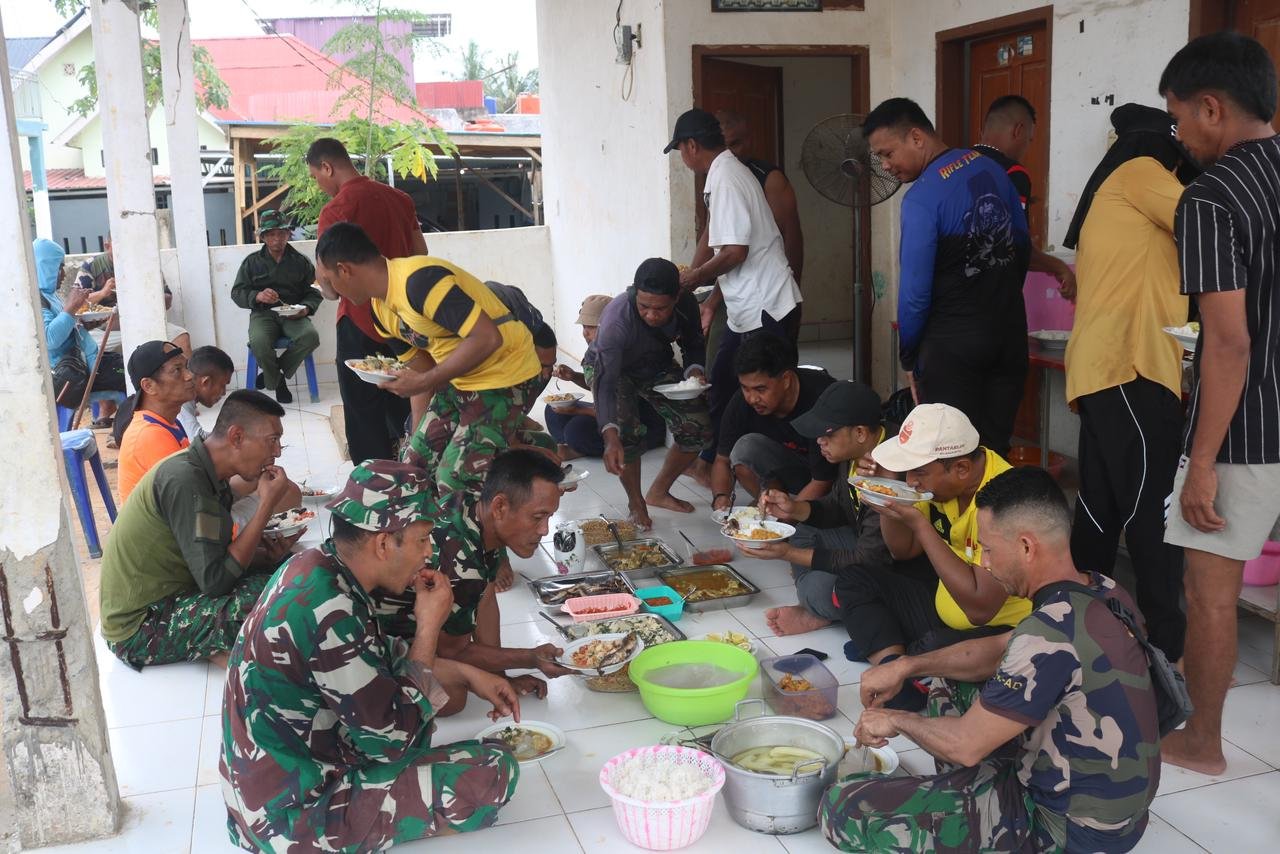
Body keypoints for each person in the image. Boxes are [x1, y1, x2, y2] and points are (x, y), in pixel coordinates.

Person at [821, 467, 1159, 853]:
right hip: (1120, 814)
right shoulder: (1102, 591)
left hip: (1067, 830)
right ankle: (970, 800)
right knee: (949, 683)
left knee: (841, 809)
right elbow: (997, 649)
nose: (983, 562)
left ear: (1026, 547)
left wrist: (894, 719)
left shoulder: (1048, 634)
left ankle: (980, 816)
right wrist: (906, 666)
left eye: (989, 549)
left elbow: (965, 745)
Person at [221, 460, 521, 852]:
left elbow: (379, 659)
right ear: (383, 544)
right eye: (422, 540)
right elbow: (395, 741)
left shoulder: (314, 566)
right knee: (494, 768)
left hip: (264, 789)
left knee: (424, 711)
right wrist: (429, 627)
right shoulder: (331, 609)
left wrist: (468, 674)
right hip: (293, 818)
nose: (429, 554)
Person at [1158, 32, 1280, 776]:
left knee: (1209, 595)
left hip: (1247, 428)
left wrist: (1202, 461)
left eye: (1178, 118)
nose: (1178, 134)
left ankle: (1201, 742)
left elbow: (1228, 345)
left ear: (1211, 107)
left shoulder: (1211, 196)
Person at [1061, 102, 1194, 664]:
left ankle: (1077, 628)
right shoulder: (1143, 171)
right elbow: (1208, 217)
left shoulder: (1113, 188)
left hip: (1100, 369)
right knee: (1152, 507)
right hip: (1131, 364)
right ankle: (1165, 648)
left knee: (1099, 507)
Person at [314, 222, 543, 501]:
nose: (334, 292)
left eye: (329, 280)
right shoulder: (379, 310)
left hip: (507, 376)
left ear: (344, 270)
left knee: (454, 480)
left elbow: (487, 338)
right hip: (460, 382)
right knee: (413, 468)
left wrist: (423, 381)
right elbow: (421, 370)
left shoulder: (419, 282)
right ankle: (507, 450)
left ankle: (525, 454)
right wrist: (417, 435)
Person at [864, 97, 1031, 455]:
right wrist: (999, 300)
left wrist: (909, 357)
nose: (886, 166)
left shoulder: (922, 198)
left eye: (887, 154)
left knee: (948, 457)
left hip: (953, 350)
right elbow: (1022, 246)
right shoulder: (994, 171)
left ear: (916, 137)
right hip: (1009, 336)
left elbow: (915, 294)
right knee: (994, 451)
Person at [98, 391, 301, 669]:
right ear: (237, 437)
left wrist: (266, 557)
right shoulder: (184, 479)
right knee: (270, 596)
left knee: (290, 568)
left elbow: (214, 556)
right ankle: (227, 655)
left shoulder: (204, 469)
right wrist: (266, 504)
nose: (276, 452)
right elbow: (216, 581)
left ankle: (214, 646)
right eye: (272, 440)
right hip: (139, 626)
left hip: (176, 591)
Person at [372, 450, 576, 711]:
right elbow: (453, 651)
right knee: (453, 697)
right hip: (379, 638)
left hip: (412, 622)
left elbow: (486, 600)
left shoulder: (472, 507)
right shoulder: (461, 563)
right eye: (537, 517)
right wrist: (531, 658)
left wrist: (501, 676)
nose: (544, 530)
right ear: (500, 507)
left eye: (549, 517)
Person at [666, 108, 803, 483]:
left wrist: (693, 279)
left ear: (691, 146)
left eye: (680, 150)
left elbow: (735, 253)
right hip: (747, 308)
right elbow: (721, 244)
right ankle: (710, 462)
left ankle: (783, 475)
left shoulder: (726, 178)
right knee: (724, 384)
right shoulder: (723, 174)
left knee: (768, 394)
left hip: (766, 306)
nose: (683, 158)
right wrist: (708, 297)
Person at [865, 403, 1031, 709]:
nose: (911, 481)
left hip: (997, 632)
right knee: (856, 580)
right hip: (946, 608)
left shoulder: (1006, 503)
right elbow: (902, 550)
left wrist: (920, 524)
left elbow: (980, 611)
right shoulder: (941, 484)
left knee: (935, 645)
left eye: (919, 472)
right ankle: (897, 667)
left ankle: (903, 668)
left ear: (962, 469)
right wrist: (889, 504)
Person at [734, 381, 908, 638]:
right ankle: (819, 606)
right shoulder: (855, 451)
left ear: (860, 432)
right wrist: (794, 508)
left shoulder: (892, 470)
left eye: (828, 435)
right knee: (802, 529)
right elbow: (838, 506)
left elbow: (872, 558)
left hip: (895, 573)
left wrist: (788, 554)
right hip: (861, 543)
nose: (819, 441)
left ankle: (818, 608)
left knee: (818, 589)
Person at [308, 137, 426, 463]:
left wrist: (328, 290)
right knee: (406, 401)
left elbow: (328, 280)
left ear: (327, 167)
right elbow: (420, 255)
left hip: (359, 320)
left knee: (363, 415)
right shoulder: (400, 199)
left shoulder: (336, 210)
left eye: (316, 177)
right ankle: (411, 472)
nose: (318, 186)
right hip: (405, 317)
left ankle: (372, 484)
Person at [593, 258, 713, 529]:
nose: (651, 315)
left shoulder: (686, 304)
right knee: (626, 432)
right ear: (635, 293)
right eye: (644, 306)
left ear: (676, 298)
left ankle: (659, 490)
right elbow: (605, 384)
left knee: (699, 428)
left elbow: (694, 344)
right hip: (611, 371)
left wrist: (695, 372)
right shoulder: (616, 319)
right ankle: (636, 502)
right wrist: (610, 437)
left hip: (654, 363)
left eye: (660, 309)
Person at [710, 334, 836, 510]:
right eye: (745, 388)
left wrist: (788, 519)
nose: (752, 398)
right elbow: (722, 461)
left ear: (786, 380)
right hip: (792, 469)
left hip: (831, 479)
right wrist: (720, 498)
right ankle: (770, 505)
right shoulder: (741, 402)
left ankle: (782, 512)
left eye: (760, 389)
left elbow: (823, 481)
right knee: (744, 449)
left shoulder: (822, 399)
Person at [974, 95, 1077, 299]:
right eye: (1029, 140)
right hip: (992, 301)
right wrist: (1060, 267)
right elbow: (1017, 246)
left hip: (948, 302)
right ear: (1018, 131)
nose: (1026, 148)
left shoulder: (951, 167)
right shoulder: (1012, 173)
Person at [548, 294, 666, 460]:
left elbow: (621, 412)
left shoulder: (626, 352)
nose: (585, 334)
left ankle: (577, 448)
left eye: (591, 328)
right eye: (584, 327)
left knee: (576, 429)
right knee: (553, 411)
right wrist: (574, 376)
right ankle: (572, 445)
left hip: (639, 424)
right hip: (609, 412)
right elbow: (602, 388)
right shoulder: (597, 351)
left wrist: (578, 411)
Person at [230, 209, 322, 404]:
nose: (277, 239)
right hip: (263, 314)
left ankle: (272, 374)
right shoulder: (252, 262)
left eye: (281, 233)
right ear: (263, 237)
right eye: (271, 234)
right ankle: (278, 381)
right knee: (259, 342)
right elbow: (237, 293)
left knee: (310, 337)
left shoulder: (300, 262)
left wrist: (305, 308)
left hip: (293, 314)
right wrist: (258, 296)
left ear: (288, 234)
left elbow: (315, 290)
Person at [34, 238, 125, 421]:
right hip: (73, 373)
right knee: (130, 375)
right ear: (45, 267)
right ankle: (129, 429)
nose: (63, 274)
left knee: (129, 364)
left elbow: (66, 326)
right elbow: (49, 340)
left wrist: (83, 325)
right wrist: (71, 309)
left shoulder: (50, 296)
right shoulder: (37, 299)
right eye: (59, 267)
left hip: (85, 361)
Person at [716, 109, 804, 285]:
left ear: (750, 141)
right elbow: (709, 234)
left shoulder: (771, 180)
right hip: (735, 285)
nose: (730, 153)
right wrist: (692, 274)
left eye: (735, 144)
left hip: (769, 285)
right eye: (723, 146)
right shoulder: (718, 177)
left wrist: (792, 285)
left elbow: (791, 238)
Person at [116, 341, 194, 502]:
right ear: (148, 386)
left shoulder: (169, 423)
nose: (189, 376)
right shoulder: (149, 435)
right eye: (177, 370)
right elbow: (189, 500)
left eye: (186, 367)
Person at [176, 345, 235, 442]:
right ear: (206, 382)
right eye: (222, 385)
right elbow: (196, 440)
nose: (224, 392)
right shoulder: (182, 399)